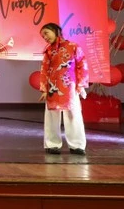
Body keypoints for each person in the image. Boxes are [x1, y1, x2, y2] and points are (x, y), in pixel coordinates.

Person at [38, 22, 88, 155]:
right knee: (52, 116)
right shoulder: (48, 51)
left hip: (70, 87)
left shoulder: (73, 46)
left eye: (46, 33)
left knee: (73, 115)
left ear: (55, 31)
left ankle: (77, 145)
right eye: (43, 36)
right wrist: (44, 89)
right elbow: (44, 70)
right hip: (52, 87)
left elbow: (82, 65)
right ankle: (52, 144)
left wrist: (81, 85)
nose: (45, 37)